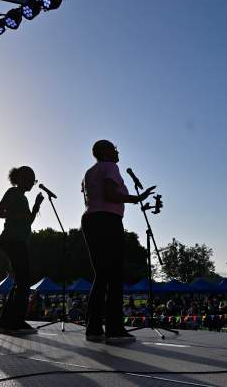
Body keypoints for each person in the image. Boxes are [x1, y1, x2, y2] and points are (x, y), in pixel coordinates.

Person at [81, 140, 155, 344]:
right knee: (114, 274)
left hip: (91, 219)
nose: (117, 151)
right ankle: (114, 329)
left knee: (102, 275)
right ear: (105, 151)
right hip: (107, 220)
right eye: (113, 148)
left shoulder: (89, 172)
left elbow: (91, 198)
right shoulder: (110, 166)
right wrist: (136, 199)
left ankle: (93, 328)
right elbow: (110, 193)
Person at [0, 166, 44, 335]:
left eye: (34, 180)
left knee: (22, 281)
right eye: (31, 179)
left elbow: (27, 221)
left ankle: (11, 321)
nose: (32, 183)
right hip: (12, 240)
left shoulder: (23, 198)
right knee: (23, 281)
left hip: (19, 242)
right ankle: (13, 322)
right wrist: (14, 215)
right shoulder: (13, 192)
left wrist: (36, 206)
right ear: (21, 178)